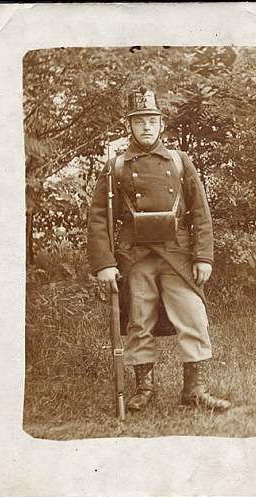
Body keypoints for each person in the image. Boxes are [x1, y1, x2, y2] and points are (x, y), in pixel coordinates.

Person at [88, 87, 231, 412]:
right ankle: (144, 388)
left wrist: (203, 256)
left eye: (152, 120)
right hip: (135, 257)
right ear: (131, 126)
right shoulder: (116, 166)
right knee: (139, 320)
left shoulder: (180, 161)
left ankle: (194, 390)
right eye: (140, 122)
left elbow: (200, 212)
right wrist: (105, 264)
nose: (147, 127)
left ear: (161, 124)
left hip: (178, 254)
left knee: (193, 315)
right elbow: (98, 218)